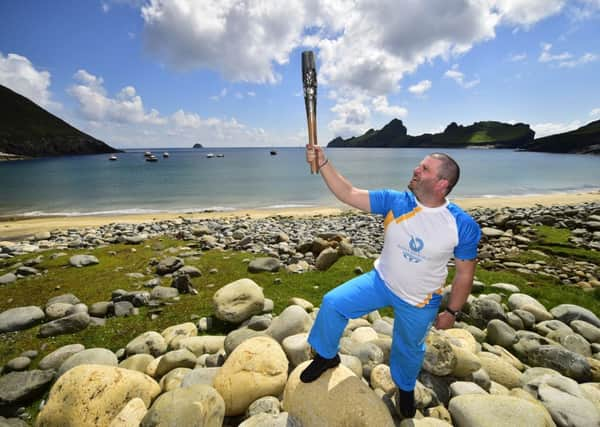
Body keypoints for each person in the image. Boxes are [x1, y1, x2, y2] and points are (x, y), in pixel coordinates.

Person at [300, 145, 481, 418]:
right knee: (333, 303)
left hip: (419, 300)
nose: (416, 170)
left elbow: (465, 274)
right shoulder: (397, 201)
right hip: (380, 281)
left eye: (424, 169)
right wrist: (323, 162)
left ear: (442, 183)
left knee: (408, 349)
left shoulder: (462, 225)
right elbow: (349, 193)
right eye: (419, 166)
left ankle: (405, 388)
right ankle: (327, 355)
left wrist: (452, 311)